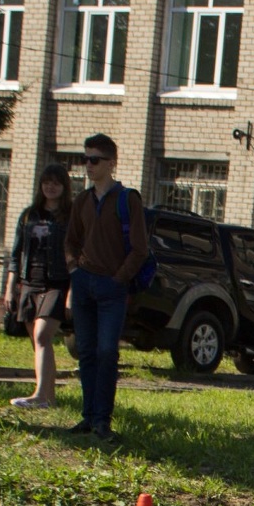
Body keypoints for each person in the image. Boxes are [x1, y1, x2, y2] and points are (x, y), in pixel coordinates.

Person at [64, 134, 149, 443]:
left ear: (111, 163)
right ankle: (88, 416)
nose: (88, 165)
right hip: (84, 283)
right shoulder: (83, 200)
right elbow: (71, 239)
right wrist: (74, 269)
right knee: (85, 351)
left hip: (111, 288)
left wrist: (119, 278)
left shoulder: (127, 200)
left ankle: (103, 419)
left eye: (94, 160)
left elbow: (140, 248)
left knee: (106, 352)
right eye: (85, 159)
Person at [4, 163, 73, 408]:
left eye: (56, 183)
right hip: (29, 282)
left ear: (64, 187)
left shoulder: (69, 217)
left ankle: (40, 395)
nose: (50, 187)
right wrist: (11, 286)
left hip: (57, 283)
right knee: (38, 341)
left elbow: (75, 254)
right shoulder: (29, 215)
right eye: (47, 182)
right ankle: (48, 396)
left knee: (43, 334)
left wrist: (71, 292)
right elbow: (15, 253)